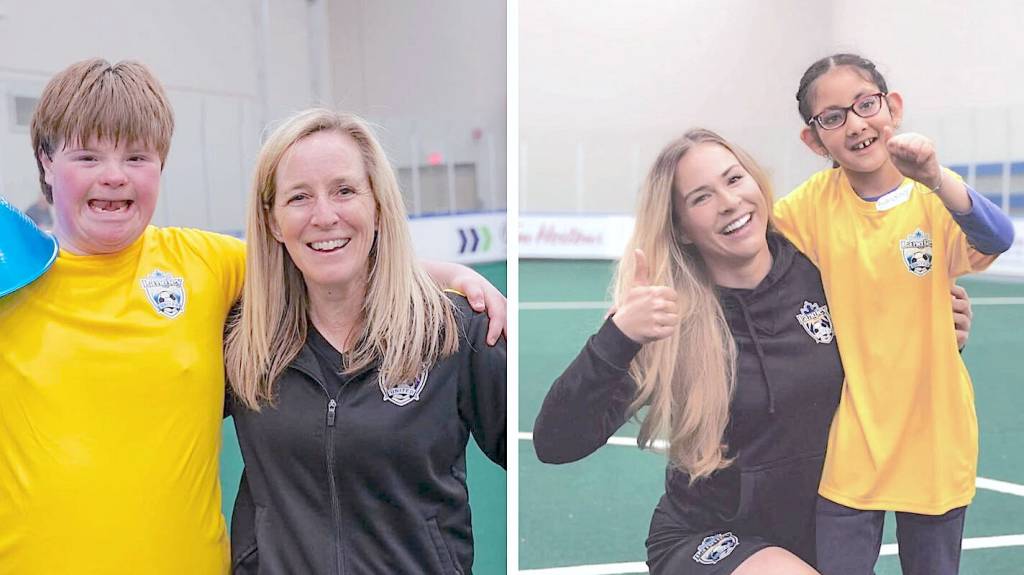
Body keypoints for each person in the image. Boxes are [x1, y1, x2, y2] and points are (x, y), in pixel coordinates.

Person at [0, 58, 506, 575]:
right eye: (87, 156)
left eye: (136, 156)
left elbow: (321, 252)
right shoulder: (7, 282)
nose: (113, 177)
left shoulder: (206, 266)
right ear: (45, 161)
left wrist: (454, 275)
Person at [533, 129, 975, 575]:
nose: (729, 201)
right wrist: (619, 336)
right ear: (682, 229)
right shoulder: (670, 316)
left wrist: (937, 328)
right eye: (701, 198)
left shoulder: (824, 272)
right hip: (711, 536)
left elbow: (894, 334)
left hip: (823, 534)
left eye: (734, 179)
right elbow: (555, 442)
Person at [222, 108, 506, 574]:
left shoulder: (454, 332)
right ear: (272, 222)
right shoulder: (243, 338)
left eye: (345, 191)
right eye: (299, 198)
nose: (324, 216)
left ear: (377, 204)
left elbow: (547, 447)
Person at [777, 53, 1015, 575]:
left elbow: (998, 236)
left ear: (894, 107)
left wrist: (935, 175)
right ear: (814, 141)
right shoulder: (808, 207)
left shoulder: (933, 199)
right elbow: (754, 261)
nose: (857, 124)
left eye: (866, 104)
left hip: (935, 433)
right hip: (851, 437)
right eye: (833, 117)